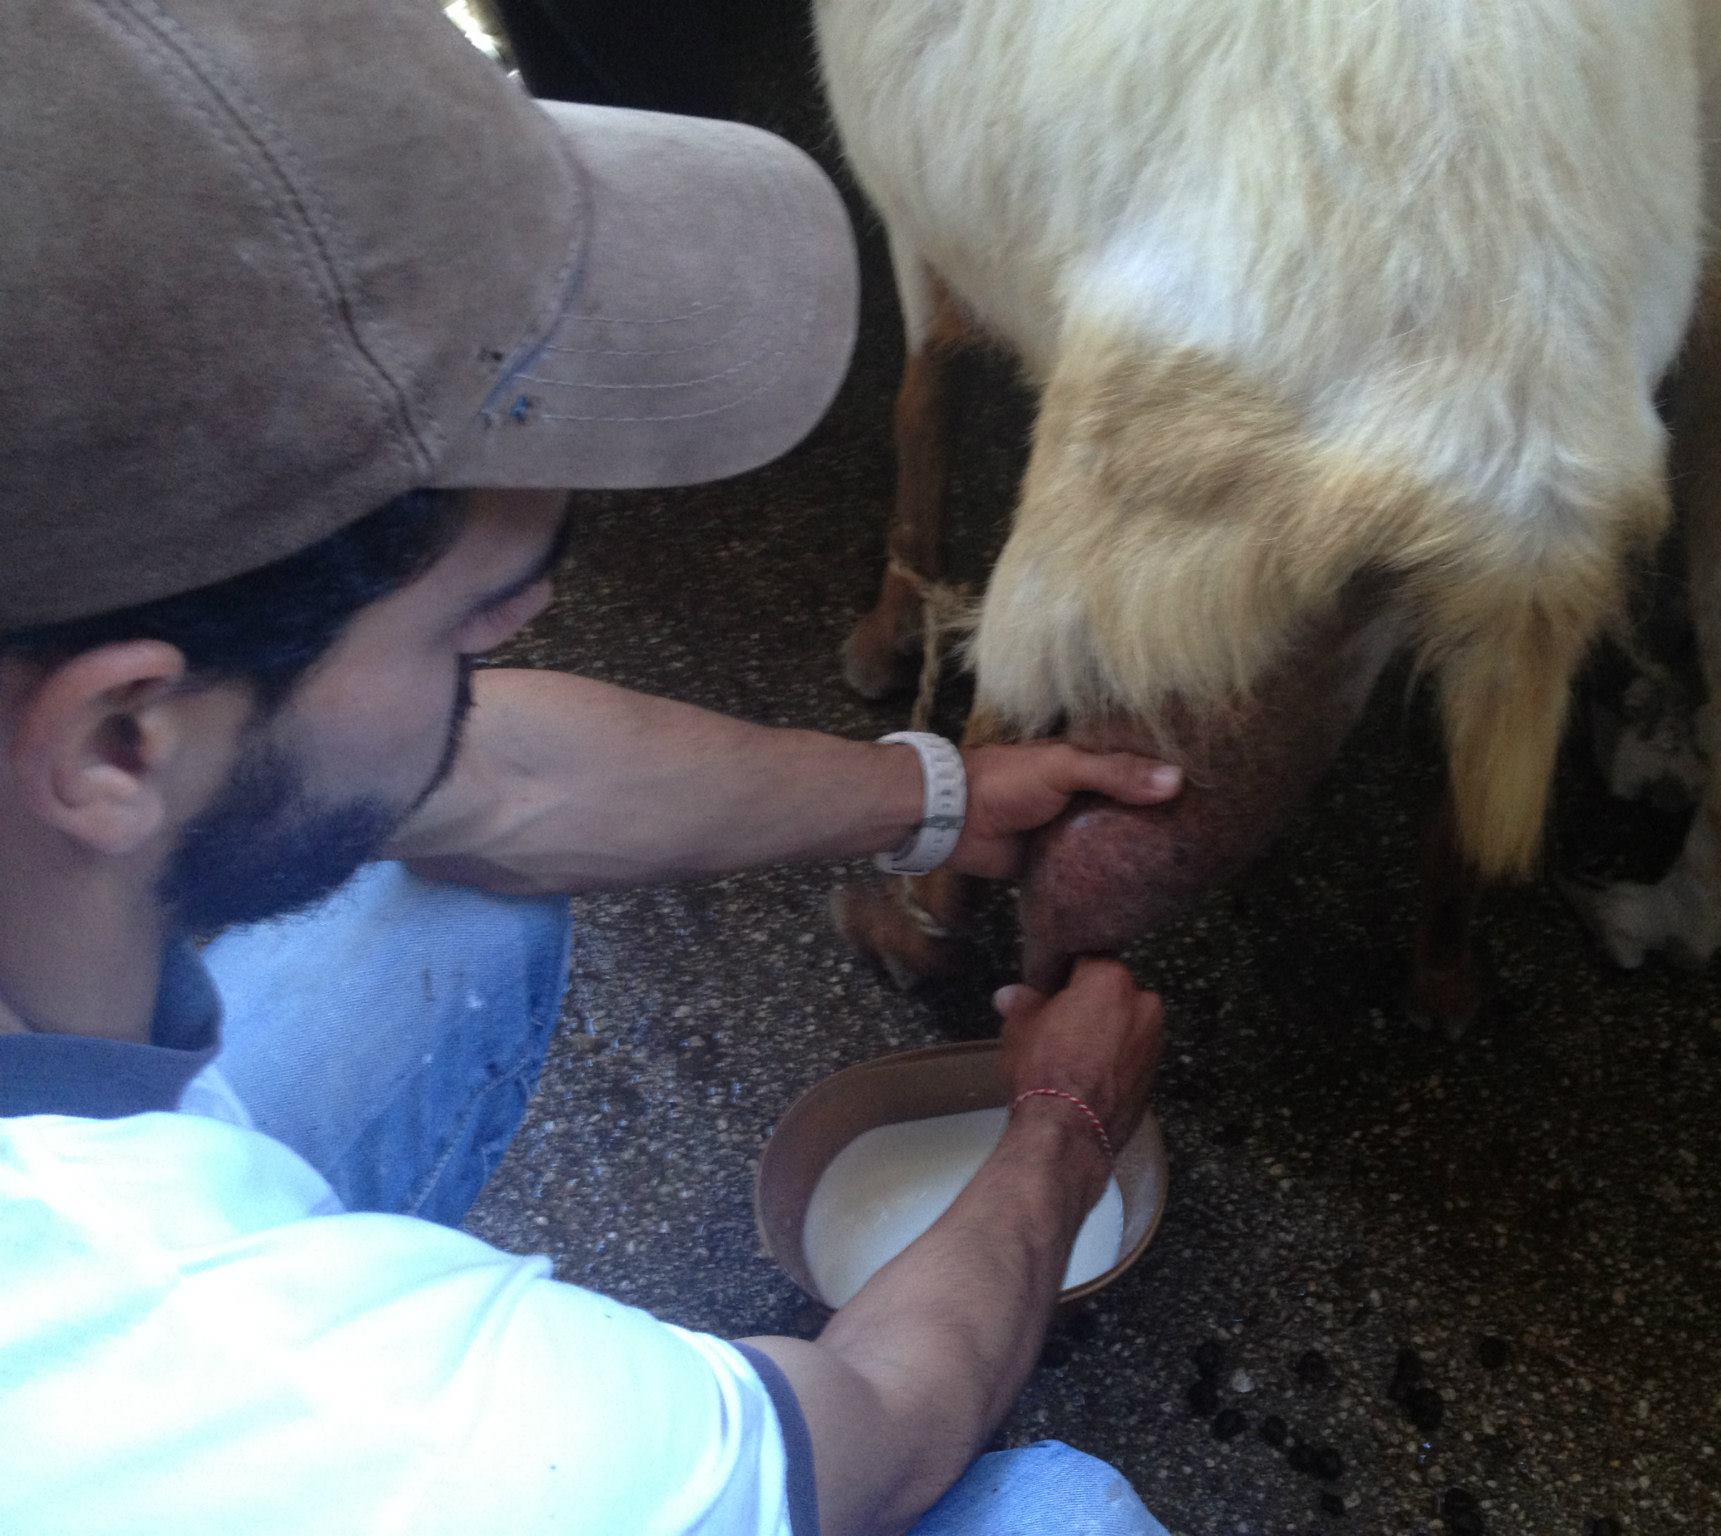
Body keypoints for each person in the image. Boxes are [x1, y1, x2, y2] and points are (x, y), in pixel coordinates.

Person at [0, 1, 1179, 1532]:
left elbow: (494, 781)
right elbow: (878, 1425)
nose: (528, 620)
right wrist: (1066, 1127)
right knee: (1054, 1514)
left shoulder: (63, 700)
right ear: (121, 740)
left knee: (446, 897)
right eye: (466, 632)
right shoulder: (307, 1413)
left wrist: (935, 795)